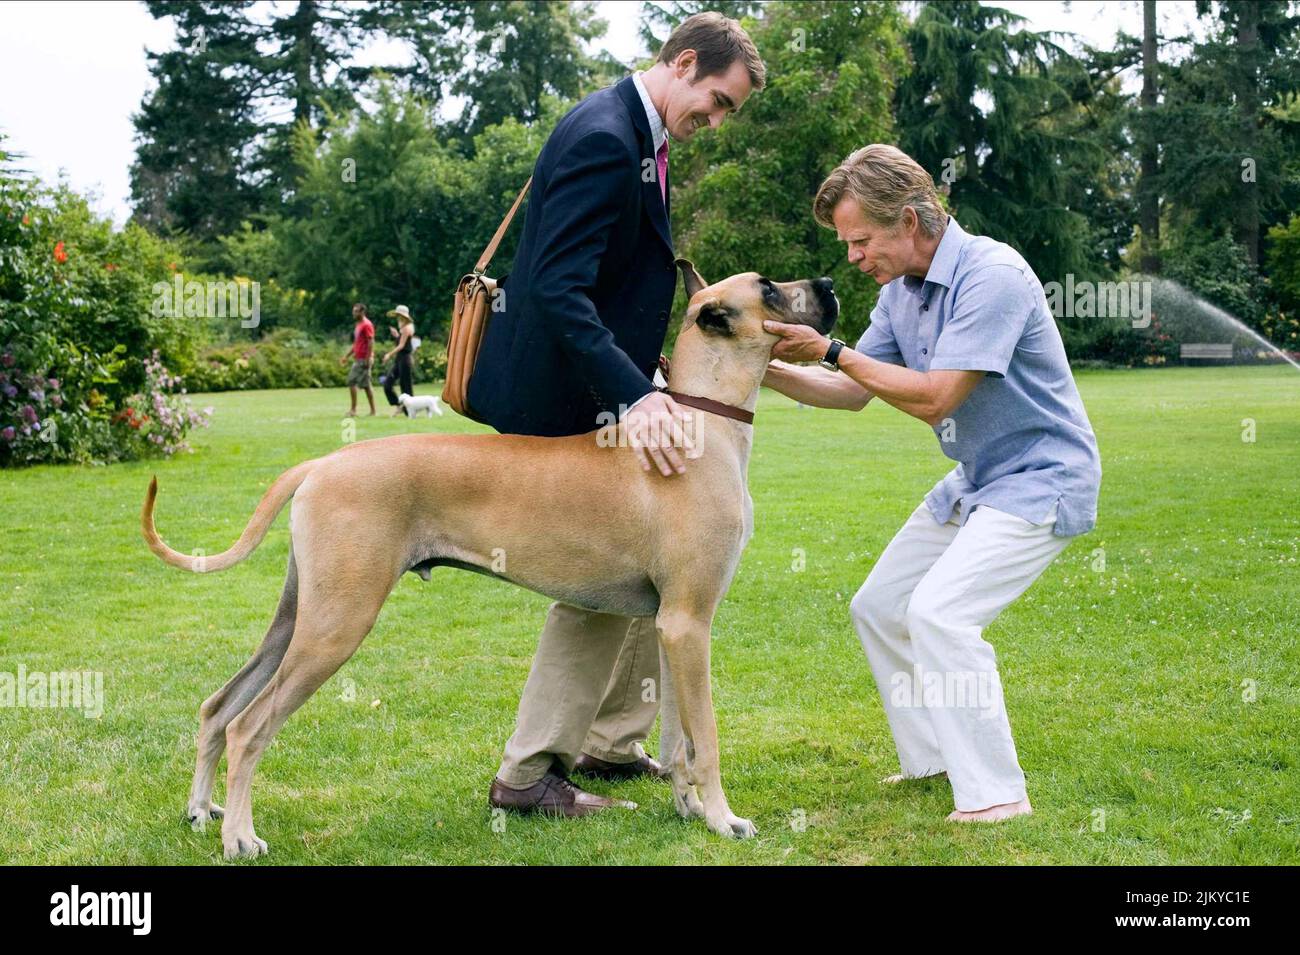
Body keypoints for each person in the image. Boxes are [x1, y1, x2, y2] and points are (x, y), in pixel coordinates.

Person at [466, 12, 765, 819]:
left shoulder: (638, 130)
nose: (714, 121)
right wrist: (635, 394)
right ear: (684, 61)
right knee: (594, 583)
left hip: (604, 386)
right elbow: (557, 288)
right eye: (716, 101)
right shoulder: (605, 132)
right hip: (564, 399)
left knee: (653, 558)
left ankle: (613, 739)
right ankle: (528, 775)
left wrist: (646, 372)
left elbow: (609, 279)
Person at [762, 144, 1102, 823]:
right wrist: (748, 365)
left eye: (861, 240)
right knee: (880, 606)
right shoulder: (900, 294)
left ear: (911, 221)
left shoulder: (992, 275)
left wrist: (830, 347)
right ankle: (933, 760)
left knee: (940, 613)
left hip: (1042, 477)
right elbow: (850, 390)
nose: (853, 257)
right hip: (976, 479)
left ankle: (997, 795)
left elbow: (935, 398)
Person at [340, 302, 376, 417]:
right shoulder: (359, 325)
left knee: (352, 381)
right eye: (353, 311)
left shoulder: (367, 325)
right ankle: (372, 411)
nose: (353, 313)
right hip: (358, 358)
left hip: (363, 359)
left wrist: (368, 358)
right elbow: (356, 344)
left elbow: (371, 342)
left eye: (356, 311)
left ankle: (354, 410)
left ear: (362, 312)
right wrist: (347, 356)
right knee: (366, 385)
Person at [382, 305, 417, 416]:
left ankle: (410, 412)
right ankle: (398, 405)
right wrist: (396, 334)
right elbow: (402, 341)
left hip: (405, 359)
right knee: (387, 384)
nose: (397, 317)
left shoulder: (408, 327)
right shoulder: (403, 328)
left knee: (406, 386)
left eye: (398, 315)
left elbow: (402, 346)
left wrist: (388, 354)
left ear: (403, 315)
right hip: (399, 360)